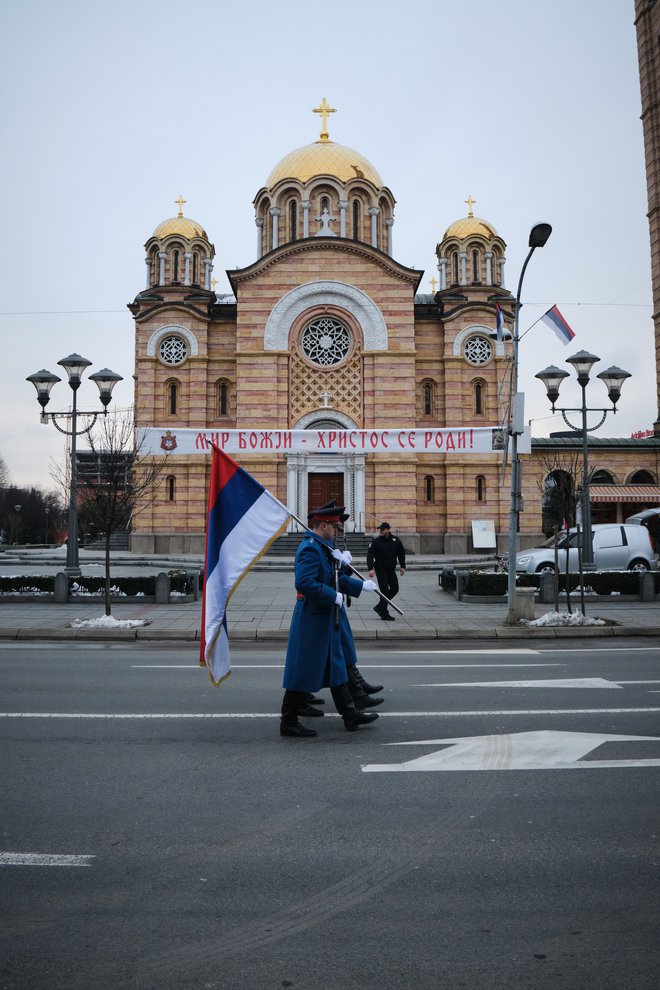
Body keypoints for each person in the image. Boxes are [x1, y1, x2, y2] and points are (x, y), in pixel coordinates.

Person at [280, 502, 381, 738]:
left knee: (335, 666)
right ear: (323, 525)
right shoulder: (310, 548)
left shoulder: (324, 548)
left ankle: (350, 714)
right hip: (312, 617)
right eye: (335, 528)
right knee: (303, 670)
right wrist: (332, 595)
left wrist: (360, 586)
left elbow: (334, 579)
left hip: (324, 616)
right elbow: (304, 582)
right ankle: (288, 721)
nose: (337, 532)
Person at [367, 521, 406, 621]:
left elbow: (401, 553)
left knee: (395, 589)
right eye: (380, 529)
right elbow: (370, 555)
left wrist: (402, 566)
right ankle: (384, 612)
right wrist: (371, 568)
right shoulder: (376, 541)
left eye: (382, 529)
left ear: (388, 530)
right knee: (384, 591)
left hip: (391, 570)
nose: (380, 531)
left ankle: (380, 606)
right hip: (381, 570)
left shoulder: (395, 540)